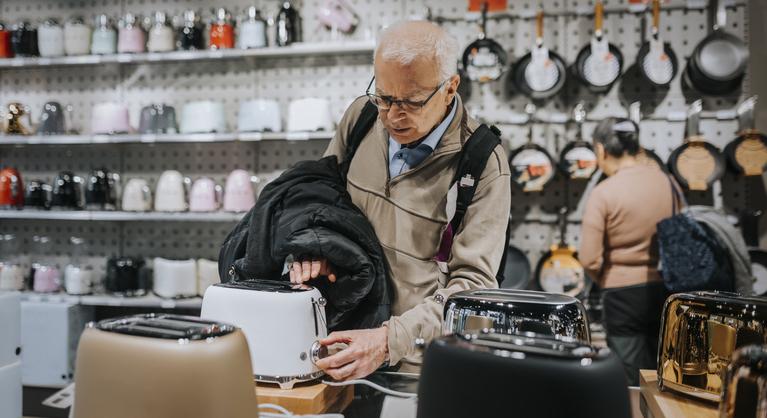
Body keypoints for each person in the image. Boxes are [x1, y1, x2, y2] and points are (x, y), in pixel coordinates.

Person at [288, 20, 511, 380]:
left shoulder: (483, 161)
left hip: (420, 367)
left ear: (450, 88)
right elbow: (322, 200)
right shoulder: (361, 117)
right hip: (339, 344)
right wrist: (315, 249)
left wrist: (390, 341)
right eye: (385, 97)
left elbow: (473, 290)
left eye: (410, 101)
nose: (392, 115)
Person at [578, 118, 674, 386]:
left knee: (630, 380)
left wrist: (607, 279)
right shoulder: (669, 184)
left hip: (622, 296)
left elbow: (589, 258)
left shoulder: (604, 192)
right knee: (663, 377)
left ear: (601, 150)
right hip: (668, 292)